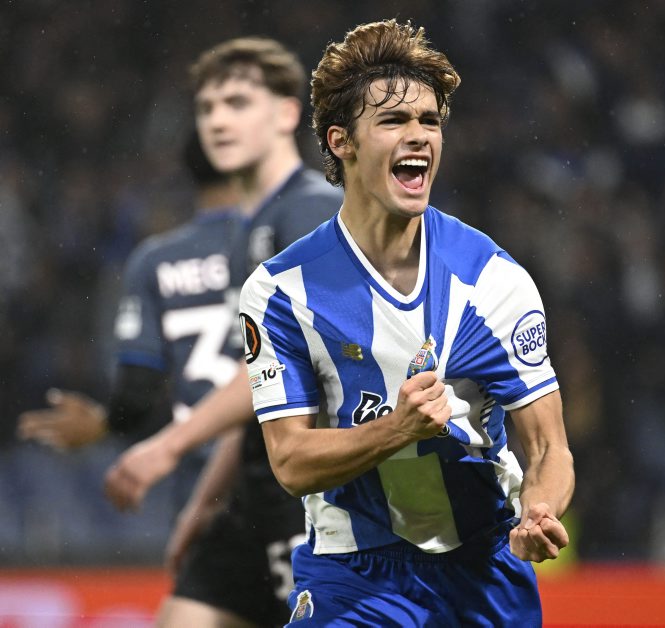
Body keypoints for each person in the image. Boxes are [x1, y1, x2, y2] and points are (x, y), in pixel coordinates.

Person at [238, 19, 575, 626]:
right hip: (353, 572)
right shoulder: (281, 292)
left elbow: (549, 446)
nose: (418, 135)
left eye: (429, 121)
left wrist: (539, 510)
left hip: (484, 566)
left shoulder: (492, 282)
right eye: (393, 120)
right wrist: (397, 429)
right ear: (341, 141)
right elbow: (289, 461)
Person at [100, 37, 343, 627]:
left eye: (237, 103)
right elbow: (259, 385)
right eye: (207, 107)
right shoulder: (247, 232)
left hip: (312, 494)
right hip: (250, 493)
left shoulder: (310, 210)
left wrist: (167, 447)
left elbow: (283, 368)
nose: (216, 121)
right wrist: (205, 505)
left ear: (286, 113)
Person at [17, 131, 241, 508]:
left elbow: (136, 392)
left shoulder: (155, 260)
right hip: (278, 479)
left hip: (199, 489)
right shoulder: (281, 246)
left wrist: (105, 423)